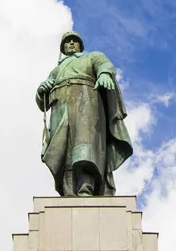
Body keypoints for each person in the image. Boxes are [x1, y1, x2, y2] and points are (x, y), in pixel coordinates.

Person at [36, 31, 133, 196]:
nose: (72, 43)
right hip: (60, 107)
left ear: (80, 45)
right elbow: (42, 103)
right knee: (63, 150)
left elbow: (105, 64)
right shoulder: (56, 70)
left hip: (86, 102)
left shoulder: (91, 57)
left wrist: (103, 74)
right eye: (68, 41)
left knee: (84, 147)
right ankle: (69, 192)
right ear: (63, 47)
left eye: (75, 41)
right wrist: (41, 91)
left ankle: (85, 189)